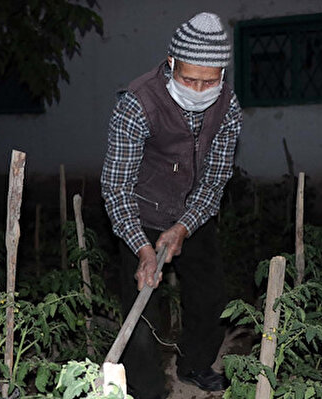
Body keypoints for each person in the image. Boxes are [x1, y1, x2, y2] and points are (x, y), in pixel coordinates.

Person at [100, 11, 242, 399]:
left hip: (193, 212)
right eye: (189, 79)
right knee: (142, 308)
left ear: (222, 76)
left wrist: (183, 227)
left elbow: (214, 180)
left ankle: (195, 364)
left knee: (211, 296)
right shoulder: (137, 103)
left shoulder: (227, 107)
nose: (199, 89)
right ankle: (147, 391)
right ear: (171, 64)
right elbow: (115, 187)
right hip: (140, 214)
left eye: (209, 81)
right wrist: (144, 248)